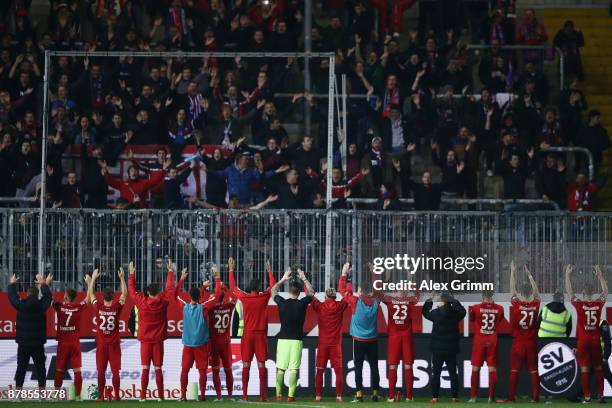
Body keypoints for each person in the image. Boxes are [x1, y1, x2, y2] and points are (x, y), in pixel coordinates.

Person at [228, 257, 276, 401]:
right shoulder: (264, 297)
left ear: (249, 287)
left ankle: (244, 395)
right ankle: (263, 396)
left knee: (246, 365)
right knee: (262, 364)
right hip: (260, 335)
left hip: (247, 335)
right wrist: (270, 271)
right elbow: (273, 286)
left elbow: (233, 287)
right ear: (259, 287)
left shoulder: (244, 297)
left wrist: (231, 269)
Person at [128, 260, 176, 402]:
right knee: (158, 368)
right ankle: (160, 397)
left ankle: (142, 397)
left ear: (148, 292)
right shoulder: (163, 301)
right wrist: (170, 272)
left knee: (145, 368)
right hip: (158, 341)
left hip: (145, 341)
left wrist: (131, 274)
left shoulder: (141, 301)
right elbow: (170, 289)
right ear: (158, 292)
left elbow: (131, 290)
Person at [565, 264, 608, 403]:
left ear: (583, 292)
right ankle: (601, 396)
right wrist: (600, 275)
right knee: (599, 368)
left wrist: (567, 275)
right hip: (595, 340)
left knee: (584, 369)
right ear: (593, 292)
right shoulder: (598, 303)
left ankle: (588, 397)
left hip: (583, 341)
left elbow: (570, 293)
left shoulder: (579, 304)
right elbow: (605, 292)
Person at [175, 267, 219, 401]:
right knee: (202, 371)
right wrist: (216, 277)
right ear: (200, 297)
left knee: (184, 370)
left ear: (189, 296)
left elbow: (175, 294)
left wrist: (182, 278)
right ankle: (203, 396)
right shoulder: (204, 307)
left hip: (188, 345)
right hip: (201, 345)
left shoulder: (184, 307)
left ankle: (183, 396)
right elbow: (216, 296)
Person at [339, 262, 381, 402]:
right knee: (374, 367)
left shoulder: (355, 302)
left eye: (358, 289)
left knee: (358, 367)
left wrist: (344, 273)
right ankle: (375, 394)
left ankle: (359, 395)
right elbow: (378, 289)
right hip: (373, 340)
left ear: (361, 291)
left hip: (358, 341)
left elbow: (341, 290)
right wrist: (374, 273)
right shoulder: (376, 301)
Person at [376, 274, 420, 402]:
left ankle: (390, 396)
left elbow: (379, 294)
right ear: (406, 290)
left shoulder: (390, 300)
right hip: (406, 336)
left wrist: (386, 280)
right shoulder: (410, 300)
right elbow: (417, 295)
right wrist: (412, 282)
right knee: (408, 366)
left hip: (394, 337)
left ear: (396, 290)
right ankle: (409, 396)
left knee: (392, 366)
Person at [272, 268, 313, 402]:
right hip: (296, 340)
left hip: (283, 340)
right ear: (300, 293)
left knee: (281, 369)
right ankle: (290, 396)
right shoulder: (302, 304)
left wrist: (283, 279)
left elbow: (273, 291)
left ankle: (278, 395)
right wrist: (304, 277)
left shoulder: (282, 303)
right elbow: (312, 293)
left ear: (289, 291)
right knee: (294, 369)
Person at [86, 267, 127, 401]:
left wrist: (92, 279)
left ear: (102, 297)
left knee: (101, 372)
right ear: (113, 297)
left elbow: (91, 294)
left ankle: (100, 397)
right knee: (115, 372)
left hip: (102, 345)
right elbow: (124, 294)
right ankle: (116, 396)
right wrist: (121, 278)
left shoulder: (98, 307)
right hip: (114, 344)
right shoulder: (116, 308)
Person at [8, 273, 53, 392]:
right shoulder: (41, 305)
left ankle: (18, 394)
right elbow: (48, 296)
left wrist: (12, 284)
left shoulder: (21, 304)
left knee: (21, 368)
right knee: (41, 369)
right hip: (38, 344)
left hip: (23, 344)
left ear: (27, 294)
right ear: (38, 294)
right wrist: (43, 284)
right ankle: (42, 394)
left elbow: (12, 297)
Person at [421, 292, 466, 403]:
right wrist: (454, 301)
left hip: (437, 349)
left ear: (442, 300)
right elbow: (463, 312)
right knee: (453, 374)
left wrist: (429, 301)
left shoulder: (435, 313)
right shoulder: (455, 313)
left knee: (436, 374)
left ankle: (435, 398)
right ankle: (455, 397)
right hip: (451, 349)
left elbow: (425, 313)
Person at [52, 278, 93, 400]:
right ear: (74, 298)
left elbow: (48, 298)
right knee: (77, 370)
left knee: (59, 368)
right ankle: (78, 395)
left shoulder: (59, 306)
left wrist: (46, 284)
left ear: (65, 297)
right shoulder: (78, 307)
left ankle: (56, 395)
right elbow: (88, 298)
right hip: (74, 342)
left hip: (63, 342)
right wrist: (90, 283)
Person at [506, 261, 540, 402]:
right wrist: (530, 275)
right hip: (531, 342)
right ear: (530, 293)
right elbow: (537, 293)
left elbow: (511, 290)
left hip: (518, 343)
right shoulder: (535, 304)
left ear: (520, 293)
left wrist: (513, 272)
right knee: (533, 370)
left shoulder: (517, 304)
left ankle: (511, 397)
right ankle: (536, 397)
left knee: (514, 370)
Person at [311, 285, 347, 402]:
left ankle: (318, 396)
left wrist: (304, 279)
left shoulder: (320, 306)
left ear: (326, 296)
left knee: (320, 370)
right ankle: (339, 396)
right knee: (338, 372)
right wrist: (345, 276)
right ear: (335, 297)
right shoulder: (340, 306)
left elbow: (310, 294)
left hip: (323, 344)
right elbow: (348, 295)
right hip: (335, 344)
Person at [468, 290, 505, 403]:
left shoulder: (475, 307)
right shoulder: (500, 308)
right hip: (492, 340)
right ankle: (491, 397)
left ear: (482, 295)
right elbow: (500, 319)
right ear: (492, 295)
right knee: (492, 368)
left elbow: (472, 319)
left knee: (475, 368)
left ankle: (473, 397)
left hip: (479, 340)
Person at [208, 264, 237, 402]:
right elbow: (235, 297)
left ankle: (219, 396)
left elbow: (203, 300)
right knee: (228, 369)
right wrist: (225, 288)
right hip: (225, 343)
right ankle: (230, 396)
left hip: (214, 343)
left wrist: (204, 288)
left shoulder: (210, 309)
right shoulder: (229, 306)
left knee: (215, 370)